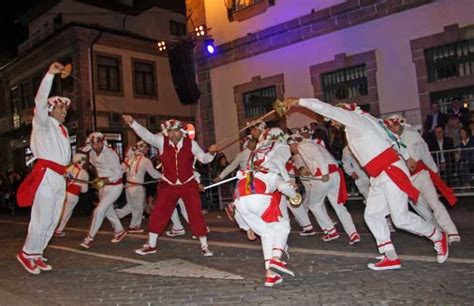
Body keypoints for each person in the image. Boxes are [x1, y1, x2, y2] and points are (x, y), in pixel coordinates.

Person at [286, 98, 449, 271]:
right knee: (372, 215)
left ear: (344, 114)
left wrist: (299, 101)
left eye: (333, 120)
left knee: (400, 218)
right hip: (379, 176)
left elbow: (327, 109)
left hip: (390, 171)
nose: (332, 123)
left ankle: (438, 237)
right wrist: (405, 156)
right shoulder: (362, 123)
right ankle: (390, 255)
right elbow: (391, 138)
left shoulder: (355, 120)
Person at [123, 116, 216, 257]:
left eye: (176, 131)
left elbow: (203, 158)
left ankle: (204, 245)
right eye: (170, 131)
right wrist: (133, 123)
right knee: (159, 212)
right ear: (167, 132)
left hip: (188, 183)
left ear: (182, 132)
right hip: (169, 184)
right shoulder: (161, 142)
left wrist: (211, 153)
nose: (173, 134)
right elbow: (146, 136)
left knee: (195, 213)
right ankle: (151, 245)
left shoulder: (192, 144)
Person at [16, 62, 71, 274]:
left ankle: (37, 253)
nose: (64, 110)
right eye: (60, 107)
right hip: (46, 175)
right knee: (42, 216)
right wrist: (49, 75)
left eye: (65, 108)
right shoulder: (43, 123)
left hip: (59, 176)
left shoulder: (62, 129)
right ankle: (27, 252)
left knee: (54, 217)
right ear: (50, 110)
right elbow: (39, 102)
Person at [234, 128, 296, 287]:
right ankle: (276, 260)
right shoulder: (273, 168)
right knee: (283, 226)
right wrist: (292, 189)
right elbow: (284, 187)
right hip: (259, 197)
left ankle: (271, 275)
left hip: (240, 200)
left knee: (267, 233)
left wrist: (245, 225)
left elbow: (239, 199)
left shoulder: (251, 165)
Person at [386, 115, 460, 244]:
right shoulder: (388, 140)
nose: (393, 128)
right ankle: (439, 233)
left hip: (421, 175)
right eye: (391, 126)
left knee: (434, 203)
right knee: (422, 209)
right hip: (406, 180)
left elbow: (425, 152)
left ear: (400, 124)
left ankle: (452, 231)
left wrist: (434, 170)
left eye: (395, 125)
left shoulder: (413, 135)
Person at [288, 134, 360, 245]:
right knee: (338, 206)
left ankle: (331, 231)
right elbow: (320, 159)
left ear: (293, 143)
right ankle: (353, 233)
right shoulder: (312, 144)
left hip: (323, 176)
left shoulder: (304, 146)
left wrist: (324, 172)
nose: (291, 150)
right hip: (335, 174)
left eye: (290, 147)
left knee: (314, 205)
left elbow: (318, 157)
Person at [80, 132, 127, 249]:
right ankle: (119, 230)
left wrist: (105, 180)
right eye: (93, 143)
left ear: (102, 142)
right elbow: (96, 167)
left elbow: (118, 174)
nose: (96, 146)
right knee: (107, 210)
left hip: (115, 186)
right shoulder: (91, 152)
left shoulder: (111, 154)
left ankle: (89, 238)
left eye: (98, 143)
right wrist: (98, 179)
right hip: (102, 186)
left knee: (99, 210)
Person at [115, 141, 161, 233]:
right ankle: (134, 226)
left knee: (131, 206)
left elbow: (120, 171)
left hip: (128, 186)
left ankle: (114, 214)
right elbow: (154, 174)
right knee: (138, 207)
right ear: (142, 148)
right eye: (146, 148)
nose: (147, 149)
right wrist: (164, 177)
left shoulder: (129, 158)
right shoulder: (145, 160)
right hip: (137, 186)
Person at [54, 153, 89, 236]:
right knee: (67, 213)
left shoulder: (69, 168)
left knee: (59, 211)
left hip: (63, 192)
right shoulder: (84, 173)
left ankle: (52, 227)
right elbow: (84, 190)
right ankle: (59, 230)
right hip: (73, 194)